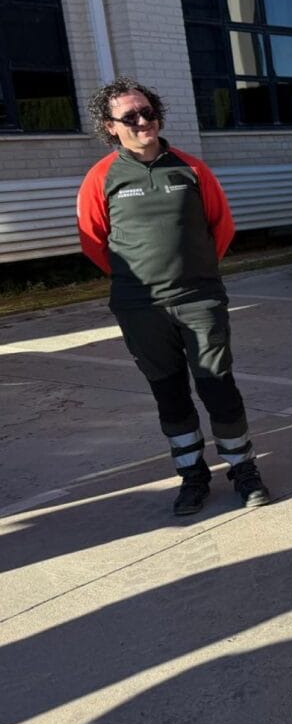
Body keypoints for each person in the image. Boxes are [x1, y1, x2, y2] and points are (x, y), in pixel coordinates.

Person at [76, 78, 270, 516]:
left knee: (218, 387)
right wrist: (137, 278)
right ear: (110, 126)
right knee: (169, 393)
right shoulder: (101, 178)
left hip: (199, 300)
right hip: (140, 308)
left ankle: (243, 469)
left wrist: (193, 272)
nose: (143, 121)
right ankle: (192, 474)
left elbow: (221, 227)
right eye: (131, 116)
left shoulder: (191, 169)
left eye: (149, 112)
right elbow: (93, 240)